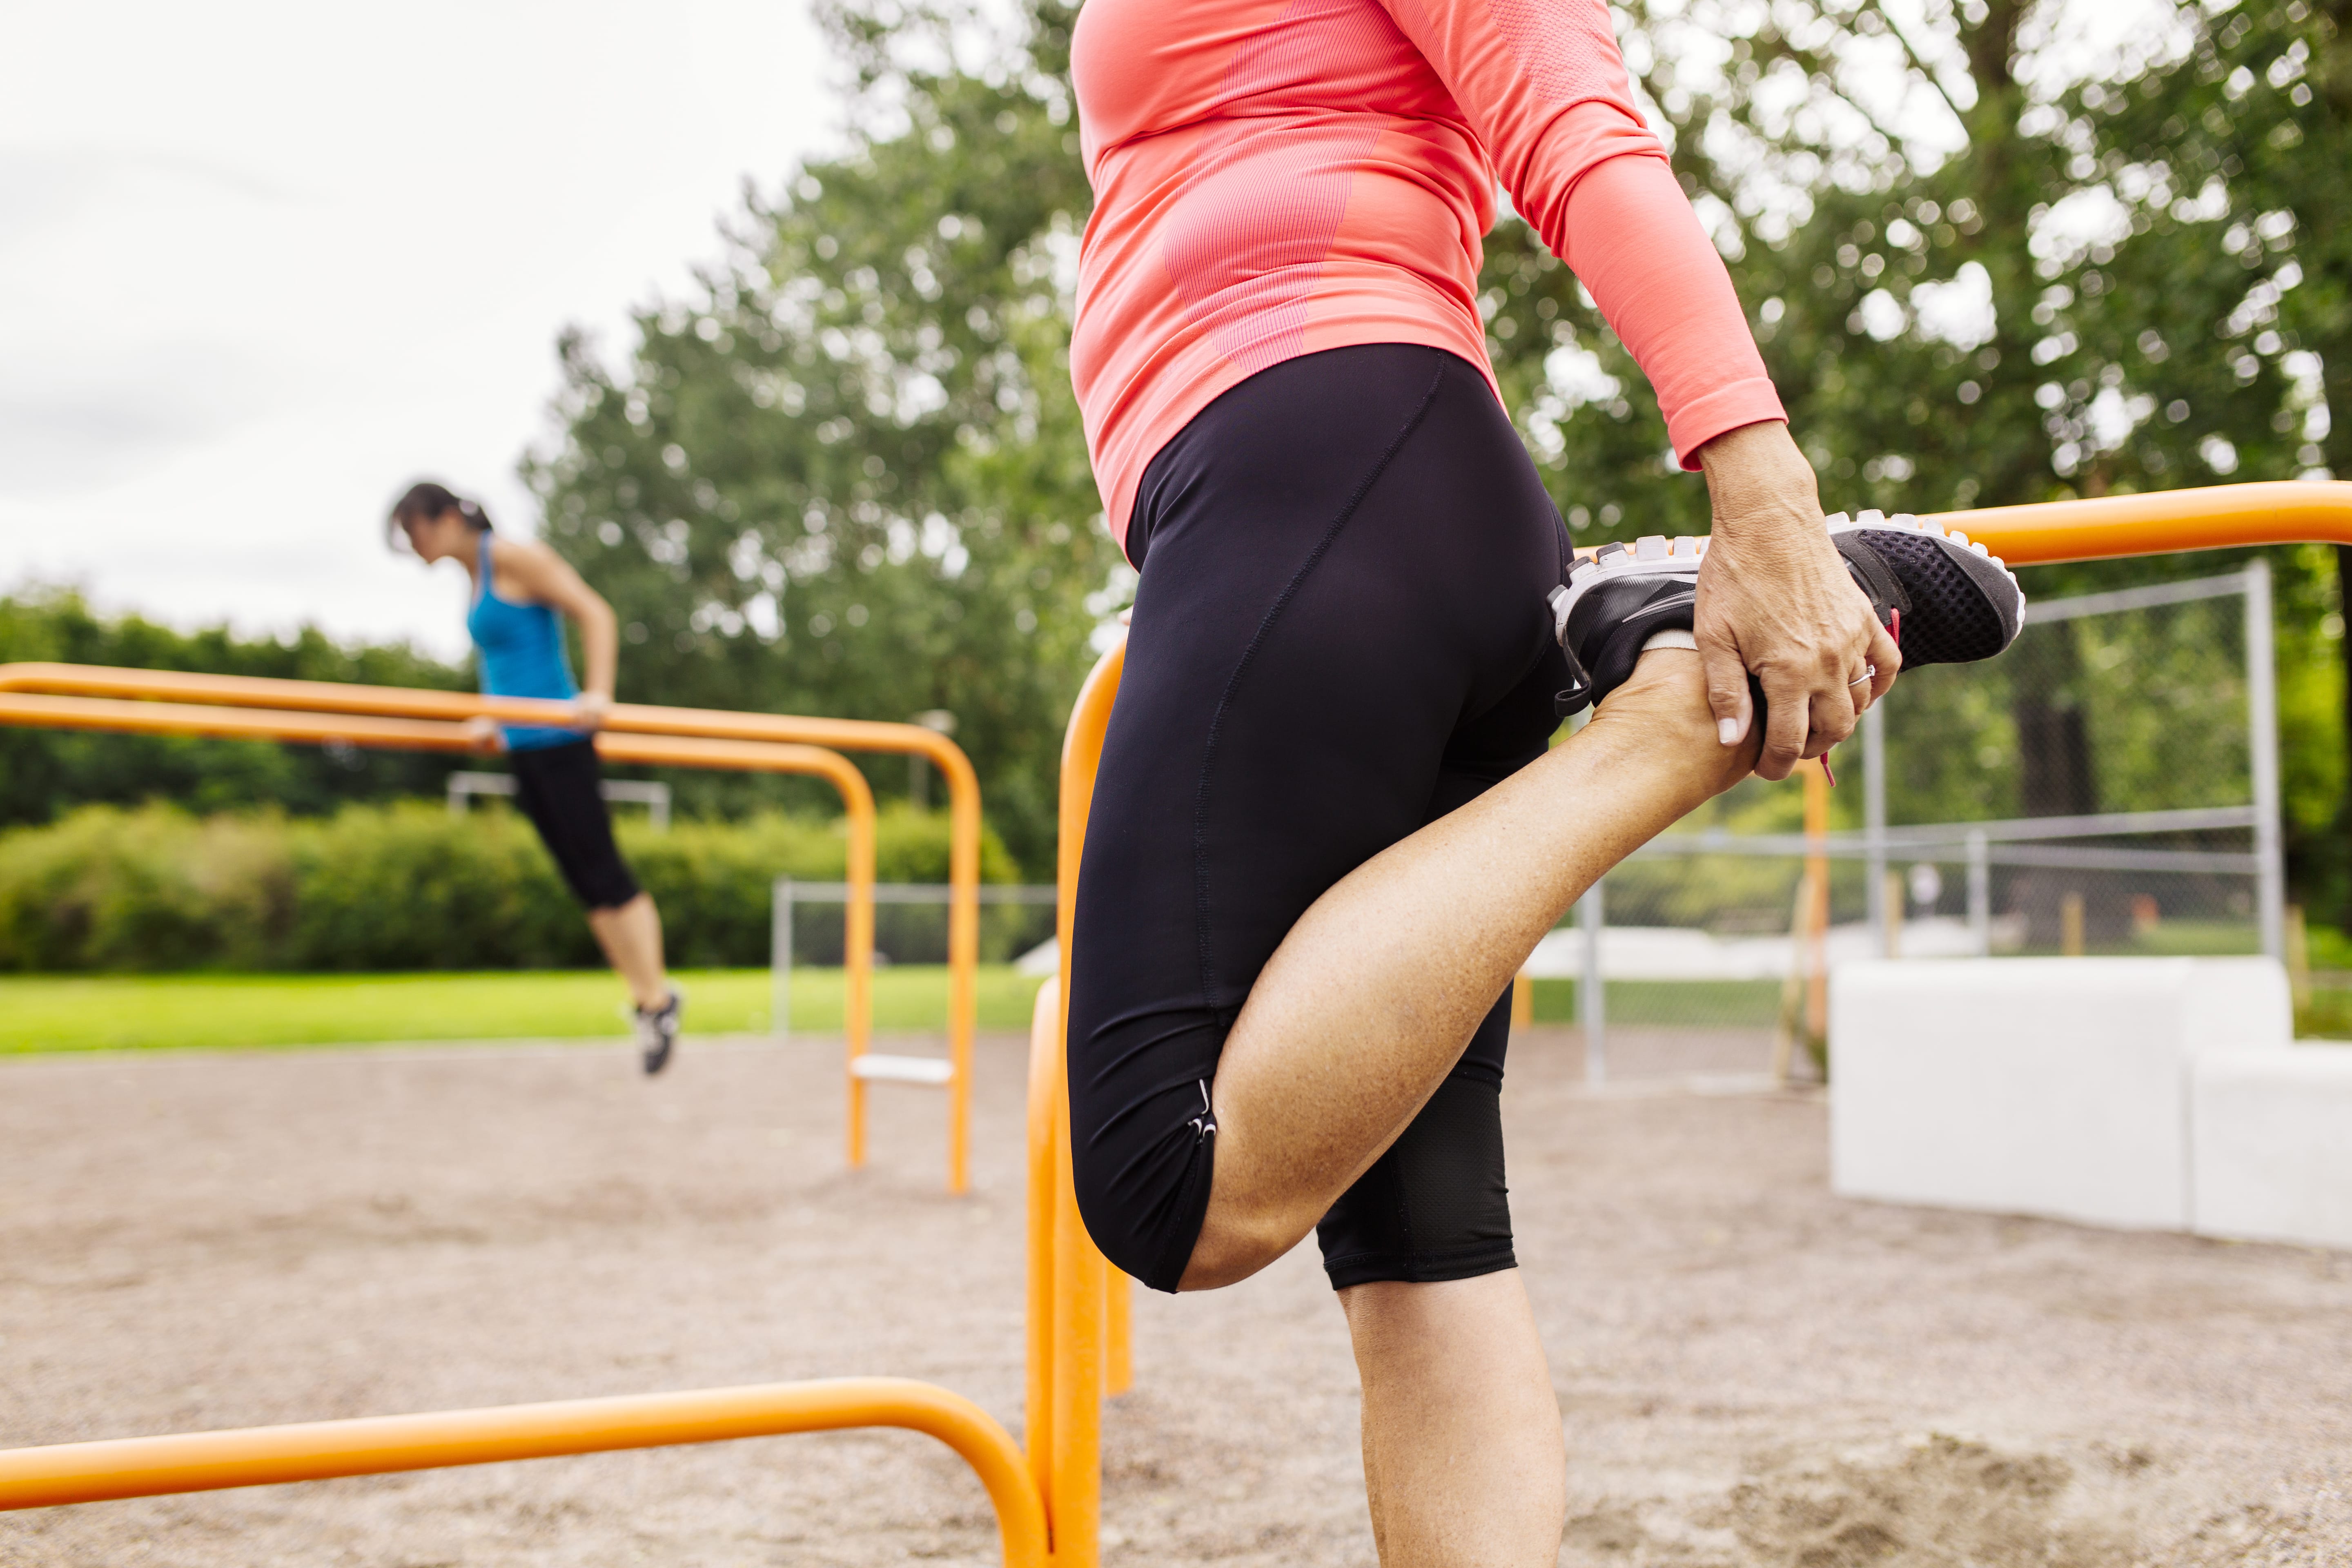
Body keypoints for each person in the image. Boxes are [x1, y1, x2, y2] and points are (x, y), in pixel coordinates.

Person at [1060, 2, 2024, 1564]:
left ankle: (1662, 716)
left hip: (1316, 465)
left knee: (1174, 1184)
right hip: (1348, 504)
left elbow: (1576, 124)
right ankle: (1629, 649)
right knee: (1419, 1245)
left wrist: (1763, 496)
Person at [388, 481, 684, 1075]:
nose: (413, 546)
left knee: (605, 871)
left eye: (414, 531)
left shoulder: (516, 558)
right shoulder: (474, 580)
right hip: (522, 745)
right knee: (584, 885)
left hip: (560, 739)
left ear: (446, 519)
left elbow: (595, 612)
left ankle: (658, 998)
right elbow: (505, 661)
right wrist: (492, 718)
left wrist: (598, 693)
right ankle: (647, 1001)